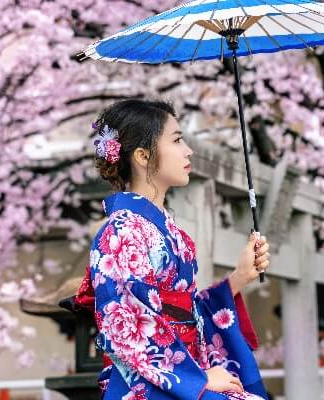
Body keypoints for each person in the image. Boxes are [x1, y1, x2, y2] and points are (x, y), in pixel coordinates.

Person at [86, 99, 270, 400]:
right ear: (143, 156)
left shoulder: (171, 232)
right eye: (177, 140)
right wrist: (198, 379)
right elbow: (128, 327)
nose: (188, 151)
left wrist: (239, 277)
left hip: (179, 374)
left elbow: (186, 311)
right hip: (145, 383)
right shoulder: (121, 232)